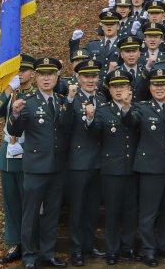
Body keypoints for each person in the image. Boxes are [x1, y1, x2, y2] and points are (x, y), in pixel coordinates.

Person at [7, 57, 76, 269]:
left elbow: (66, 127)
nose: (46, 78)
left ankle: (48, 253)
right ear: (36, 77)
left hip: (57, 167)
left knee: (52, 213)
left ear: (57, 77)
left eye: (51, 74)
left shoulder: (62, 101)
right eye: (42, 74)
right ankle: (29, 256)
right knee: (31, 214)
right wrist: (15, 114)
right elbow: (15, 131)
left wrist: (71, 102)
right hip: (36, 167)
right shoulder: (28, 101)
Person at [123, 67, 165, 267]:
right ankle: (149, 250)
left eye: (163, 84)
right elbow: (131, 121)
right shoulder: (142, 107)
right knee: (148, 213)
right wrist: (125, 107)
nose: (159, 88)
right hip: (150, 167)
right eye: (156, 85)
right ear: (150, 87)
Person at [89, 69, 141, 264]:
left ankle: (128, 248)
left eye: (123, 86)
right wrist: (89, 119)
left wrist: (127, 108)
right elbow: (95, 133)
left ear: (129, 89)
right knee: (112, 212)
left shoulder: (135, 108)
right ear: (109, 90)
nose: (119, 90)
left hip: (132, 168)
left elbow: (134, 123)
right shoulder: (102, 110)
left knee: (130, 211)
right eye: (114, 87)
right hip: (111, 169)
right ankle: (112, 250)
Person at [0, 54, 36, 265]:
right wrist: (8, 88)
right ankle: (16, 243)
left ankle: (31, 243)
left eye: (24, 70)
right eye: (18, 70)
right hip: (9, 154)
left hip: (30, 153)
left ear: (33, 74)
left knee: (30, 203)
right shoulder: (11, 92)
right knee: (12, 203)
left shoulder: (36, 94)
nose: (20, 73)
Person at [66, 60, 107, 266]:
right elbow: (64, 125)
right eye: (86, 76)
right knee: (78, 208)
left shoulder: (101, 97)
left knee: (92, 208)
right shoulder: (72, 99)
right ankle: (76, 249)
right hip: (79, 161)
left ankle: (89, 245)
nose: (90, 80)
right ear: (78, 78)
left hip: (98, 160)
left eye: (94, 76)